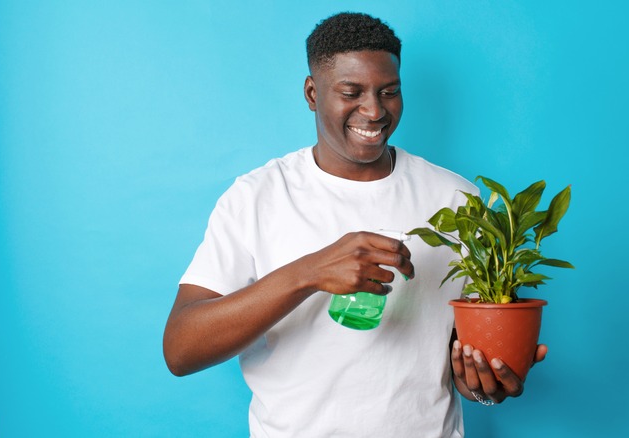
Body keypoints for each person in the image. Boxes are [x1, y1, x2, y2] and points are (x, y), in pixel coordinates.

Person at [163, 12, 546, 437]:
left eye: (390, 92)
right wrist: (309, 272)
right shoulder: (257, 196)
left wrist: (484, 384)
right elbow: (181, 349)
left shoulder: (455, 200)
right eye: (351, 92)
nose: (374, 110)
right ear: (312, 93)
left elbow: (465, 360)